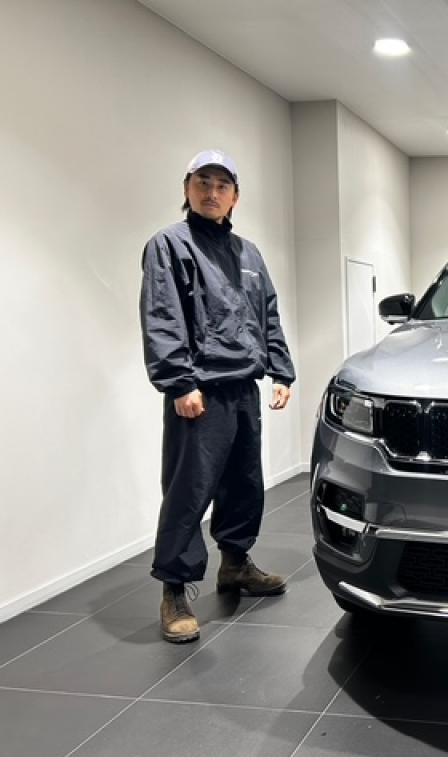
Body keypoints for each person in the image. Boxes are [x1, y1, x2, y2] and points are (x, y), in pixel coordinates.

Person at [140, 150, 296, 643]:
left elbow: (268, 314)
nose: (212, 192)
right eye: (203, 182)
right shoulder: (170, 245)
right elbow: (162, 315)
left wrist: (281, 371)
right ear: (187, 188)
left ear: (235, 197)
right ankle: (174, 589)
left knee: (244, 482)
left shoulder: (249, 255)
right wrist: (179, 382)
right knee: (189, 490)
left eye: (222, 185)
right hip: (199, 390)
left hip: (243, 388)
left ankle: (235, 564)